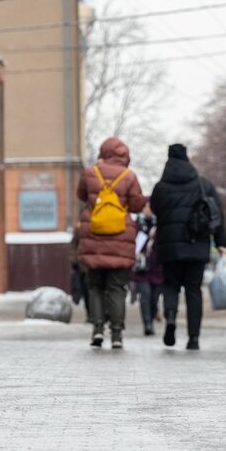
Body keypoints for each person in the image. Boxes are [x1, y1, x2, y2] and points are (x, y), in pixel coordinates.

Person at [150, 144, 226, 351]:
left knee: (171, 286)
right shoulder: (203, 184)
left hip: (169, 247)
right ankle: (193, 338)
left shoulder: (160, 187)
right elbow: (216, 213)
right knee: (193, 290)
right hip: (197, 244)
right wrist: (222, 243)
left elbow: (155, 210)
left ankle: (171, 318)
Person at [76, 137, 147, 349]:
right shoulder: (129, 176)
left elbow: (81, 195)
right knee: (117, 288)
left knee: (96, 286)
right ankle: (116, 334)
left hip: (94, 238)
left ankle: (97, 329)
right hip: (120, 240)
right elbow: (135, 205)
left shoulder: (90, 173)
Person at [129, 207, 164, 336]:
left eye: (150, 207)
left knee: (154, 297)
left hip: (156, 267)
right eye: (145, 207)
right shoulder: (137, 225)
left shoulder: (160, 225)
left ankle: (153, 313)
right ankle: (148, 324)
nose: (147, 210)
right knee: (145, 296)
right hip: (141, 268)